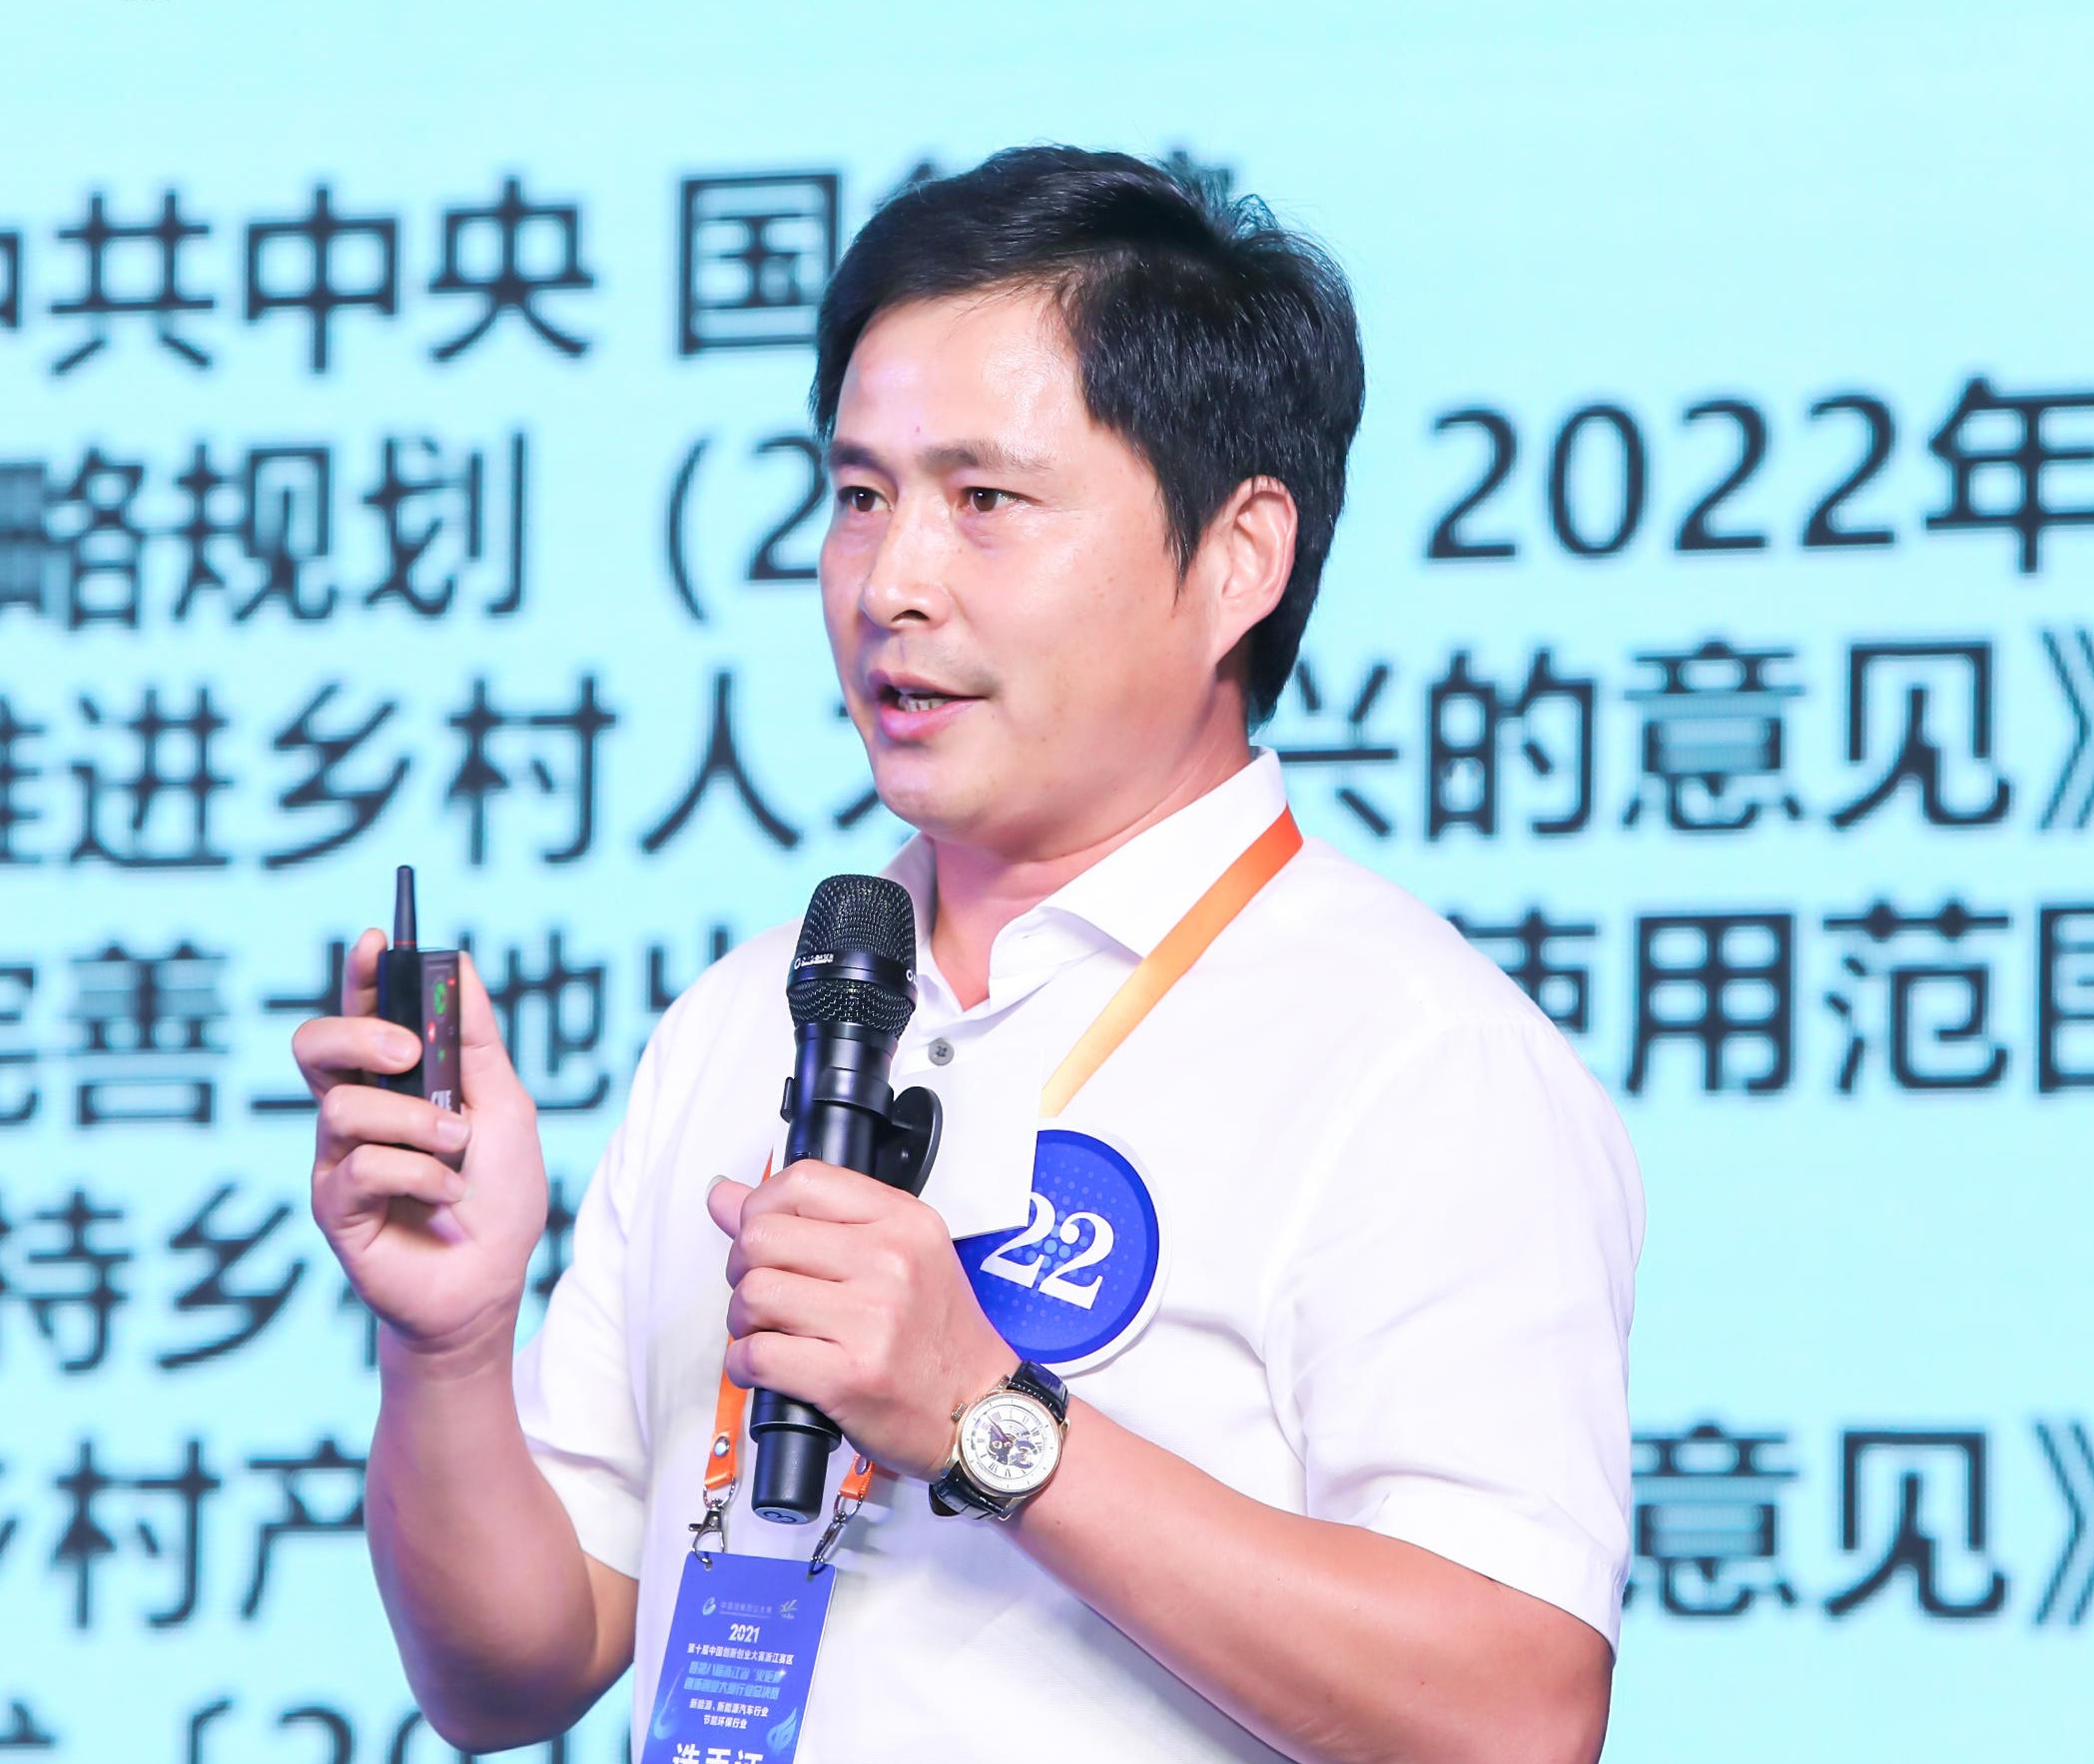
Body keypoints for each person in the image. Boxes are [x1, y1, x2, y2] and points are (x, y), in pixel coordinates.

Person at [293, 146, 1643, 1763]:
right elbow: (508, 1674)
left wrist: (988, 1421)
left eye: (984, 503)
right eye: (860, 497)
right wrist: (446, 1348)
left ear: (1238, 556)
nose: (892, 583)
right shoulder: (748, 1014)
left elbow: (1513, 1713)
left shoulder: (1409, 1052)